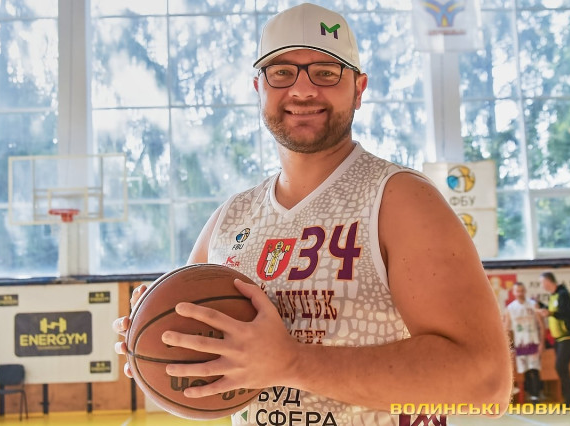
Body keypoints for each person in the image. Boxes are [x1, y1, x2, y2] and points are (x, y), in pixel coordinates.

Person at [113, 3, 512, 424]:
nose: (302, 90)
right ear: (259, 88)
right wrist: (154, 337)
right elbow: (198, 352)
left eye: (326, 72)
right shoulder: (230, 218)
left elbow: (486, 385)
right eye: (282, 72)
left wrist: (293, 362)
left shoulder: (401, 200)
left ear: (359, 89)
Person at [537, 271, 570, 405]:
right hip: (558, 338)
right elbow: (554, 310)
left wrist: (549, 313)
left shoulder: (563, 294)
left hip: (568, 336)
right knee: (562, 367)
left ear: (548, 281)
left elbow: (565, 313)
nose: (541, 285)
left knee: (560, 366)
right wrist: (541, 305)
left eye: (542, 282)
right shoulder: (553, 296)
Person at [504, 282, 545, 403]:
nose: (520, 293)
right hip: (520, 344)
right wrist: (508, 347)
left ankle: (535, 395)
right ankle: (529, 394)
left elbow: (541, 325)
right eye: (518, 291)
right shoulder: (510, 308)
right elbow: (507, 329)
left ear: (525, 291)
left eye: (522, 291)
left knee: (534, 369)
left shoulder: (533, 305)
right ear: (514, 292)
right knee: (525, 370)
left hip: (533, 341)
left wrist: (542, 343)